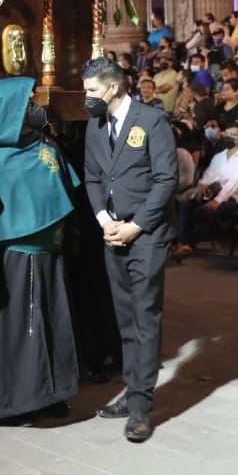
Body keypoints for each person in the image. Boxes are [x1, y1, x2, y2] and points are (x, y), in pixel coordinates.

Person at [81, 56, 177, 443]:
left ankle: (140, 407)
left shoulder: (152, 121)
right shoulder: (94, 125)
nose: (86, 98)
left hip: (147, 233)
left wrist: (135, 227)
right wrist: (105, 221)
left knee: (145, 315)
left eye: (91, 91)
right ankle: (131, 389)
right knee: (124, 318)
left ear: (114, 87)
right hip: (113, 231)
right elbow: (91, 177)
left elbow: (166, 179)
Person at [0, 77, 79, 423]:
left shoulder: (45, 145)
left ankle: (51, 393)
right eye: (28, 102)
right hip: (15, 255)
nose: (35, 108)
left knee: (51, 320)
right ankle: (14, 402)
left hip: (51, 252)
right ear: (11, 109)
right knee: (18, 328)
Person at [171, 121, 238, 258]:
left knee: (205, 210)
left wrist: (218, 200)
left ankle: (189, 245)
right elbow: (208, 175)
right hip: (210, 193)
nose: (228, 136)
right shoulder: (219, 156)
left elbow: (233, 184)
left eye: (233, 135)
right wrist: (202, 186)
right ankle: (181, 241)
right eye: (227, 133)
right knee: (186, 204)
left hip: (232, 199)